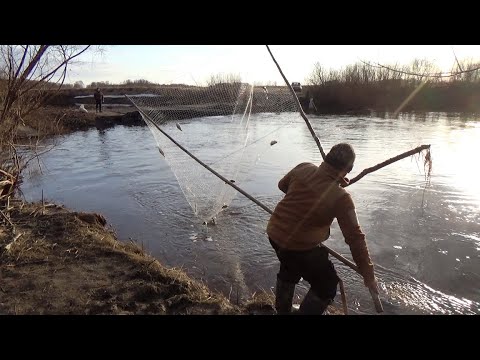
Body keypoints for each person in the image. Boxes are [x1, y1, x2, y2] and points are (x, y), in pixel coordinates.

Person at [267, 143, 378, 314]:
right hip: (299, 246)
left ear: (326, 157)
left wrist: (302, 197)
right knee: (327, 285)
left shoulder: (303, 168)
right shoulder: (342, 198)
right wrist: (368, 274)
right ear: (348, 169)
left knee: (289, 264)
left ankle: (282, 310)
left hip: (275, 233)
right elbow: (355, 239)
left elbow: (282, 185)